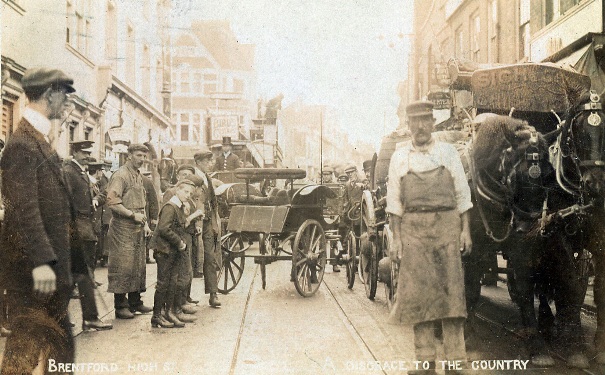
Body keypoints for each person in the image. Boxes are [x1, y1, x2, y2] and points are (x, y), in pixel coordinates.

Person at [386, 101, 472, 374]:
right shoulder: (399, 157)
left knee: (452, 297)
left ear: (433, 123)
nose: (420, 127)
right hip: (413, 231)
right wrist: (397, 239)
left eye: (425, 121)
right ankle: (424, 361)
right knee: (418, 297)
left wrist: (465, 230)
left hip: (447, 227)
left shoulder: (448, 153)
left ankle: (456, 361)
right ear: (409, 126)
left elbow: (462, 196)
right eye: (415, 122)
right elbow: (394, 203)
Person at [0, 68, 76, 373]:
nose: (66, 103)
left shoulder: (37, 139)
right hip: (36, 273)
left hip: (50, 270)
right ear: (50, 94)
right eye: (64, 95)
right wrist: (42, 261)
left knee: (60, 351)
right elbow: (24, 210)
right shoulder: (21, 145)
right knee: (25, 352)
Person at [63, 140, 113, 331]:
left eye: (88, 153)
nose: (87, 156)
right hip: (78, 228)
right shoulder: (69, 172)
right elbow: (66, 202)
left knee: (78, 276)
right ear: (74, 152)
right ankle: (89, 318)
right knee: (81, 276)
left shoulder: (79, 171)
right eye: (83, 153)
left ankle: (66, 319)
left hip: (85, 227)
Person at [105, 143, 153, 319]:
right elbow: (112, 202)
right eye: (139, 155)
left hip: (137, 227)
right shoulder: (121, 175)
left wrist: (145, 224)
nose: (142, 159)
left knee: (138, 265)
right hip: (122, 228)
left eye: (144, 156)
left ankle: (135, 302)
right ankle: (120, 306)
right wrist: (132, 215)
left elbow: (141, 203)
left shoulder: (138, 176)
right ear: (129, 155)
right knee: (123, 266)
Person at [152, 179, 198, 328]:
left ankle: (169, 313)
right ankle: (157, 315)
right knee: (163, 284)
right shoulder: (170, 207)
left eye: (190, 193)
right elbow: (164, 229)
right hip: (164, 250)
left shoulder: (178, 206)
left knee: (171, 283)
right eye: (185, 191)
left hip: (172, 251)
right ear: (177, 190)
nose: (188, 195)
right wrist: (179, 242)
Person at [194, 149, 222, 307]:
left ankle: (213, 293)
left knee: (210, 258)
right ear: (198, 163)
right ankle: (184, 298)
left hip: (207, 222)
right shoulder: (193, 176)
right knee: (192, 259)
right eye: (206, 162)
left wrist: (214, 223)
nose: (209, 164)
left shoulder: (207, 178)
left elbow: (213, 202)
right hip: (195, 222)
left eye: (210, 161)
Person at [96, 159, 114, 267]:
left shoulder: (111, 178)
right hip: (100, 210)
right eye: (106, 166)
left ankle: (106, 257)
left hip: (108, 210)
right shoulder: (100, 178)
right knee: (100, 235)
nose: (107, 168)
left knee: (107, 235)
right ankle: (101, 256)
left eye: (109, 166)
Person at [142, 171, 159, 264]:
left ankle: (147, 256)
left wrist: (154, 217)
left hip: (146, 212)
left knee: (147, 235)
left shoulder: (147, 182)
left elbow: (153, 201)